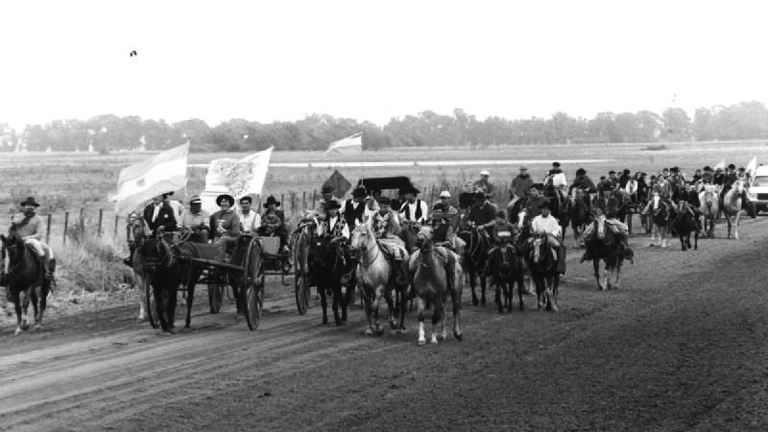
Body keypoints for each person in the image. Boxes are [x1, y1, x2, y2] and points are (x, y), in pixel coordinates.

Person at [10, 197, 54, 279]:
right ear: (24, 206)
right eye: (28, 205)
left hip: (31, 240)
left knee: (46, 249)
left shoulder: (39, 219)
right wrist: (21, 221)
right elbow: (14, 222)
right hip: (17, 240)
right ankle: (3, 273)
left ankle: (47, 272)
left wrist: (26, 238)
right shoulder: (18, 216)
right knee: (5, 250)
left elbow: (39, 234)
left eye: (32, 205)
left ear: (34, 207)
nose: (30, 207)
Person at [368, 197, 409, 285]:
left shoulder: (393, 214)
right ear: (378, 205)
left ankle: (398, 272)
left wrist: (392, 219)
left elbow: (398, 231)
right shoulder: (374, 215)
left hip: (390, 239)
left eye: (385, 206)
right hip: (376, 239)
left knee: (396, 252)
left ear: (389, 206)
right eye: (381, 206)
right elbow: (369, 228)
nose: (383, 208)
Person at [529, 200, 566, 274]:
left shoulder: (552, 219)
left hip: (550, 237)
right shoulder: (536, 219)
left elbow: (556, 229)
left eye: (546, 209)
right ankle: (532, 262)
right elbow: (533, 228)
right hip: (539, 237)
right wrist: (536, 232)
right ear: (541, 210)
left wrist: (551, 234)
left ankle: (559, 265)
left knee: (558, 245)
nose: (545, 211)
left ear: (549, 210)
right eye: (543, 209)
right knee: (531, 245)